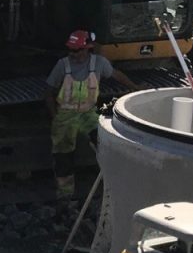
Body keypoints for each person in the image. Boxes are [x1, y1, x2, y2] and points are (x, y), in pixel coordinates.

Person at [45, 29, 136, 201]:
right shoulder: (62, 65)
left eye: (77, 50)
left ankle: (113, 187)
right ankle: (65, 195)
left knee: (104, 143)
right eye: (70, 50)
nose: (73, 54)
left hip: (88, 113)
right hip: (65, 115)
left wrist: (136, 87)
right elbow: (48, 92)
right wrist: (54, 116)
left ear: (87, 48)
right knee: (63, 156)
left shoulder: (99, 63)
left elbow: (116, 75)